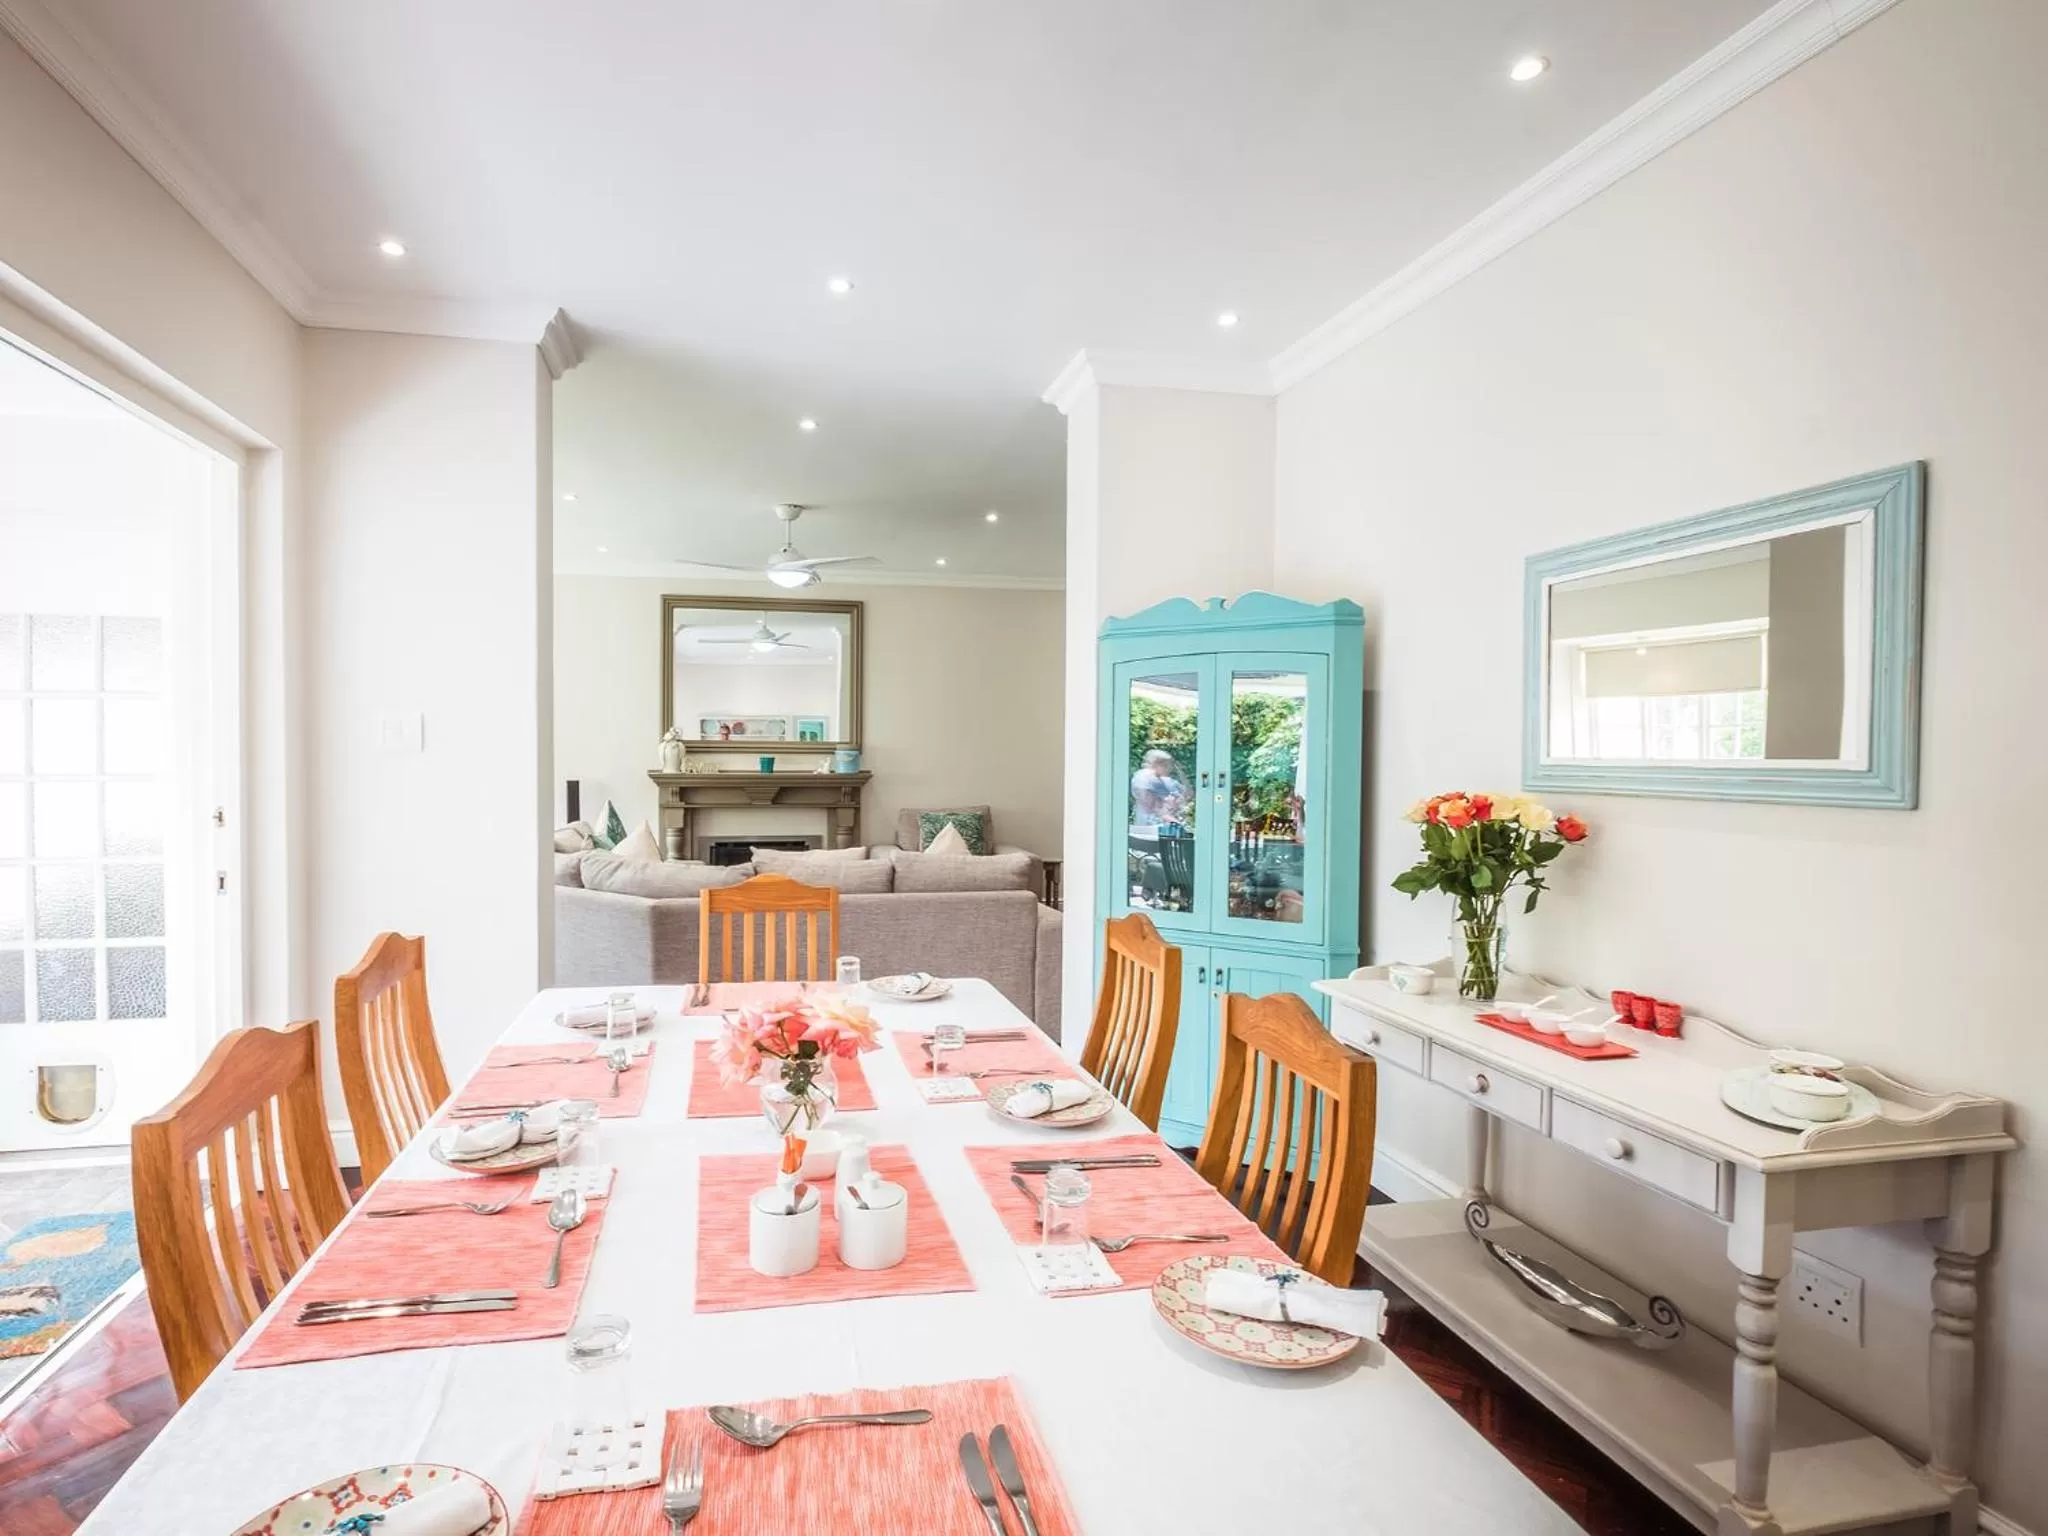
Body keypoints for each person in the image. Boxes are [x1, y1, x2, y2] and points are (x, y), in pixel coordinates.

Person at [1130, 750, 1188, 829]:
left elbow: (1186, 794)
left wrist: (1182, 774)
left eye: (1170, 766)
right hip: (1151, 825)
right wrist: (1175, 822)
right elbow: (1154, 807)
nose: (1170, 769)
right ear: (1156, 764)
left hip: (1153, 823)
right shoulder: (1147, 777)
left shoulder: (1163, 780)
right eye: (1166, 765)